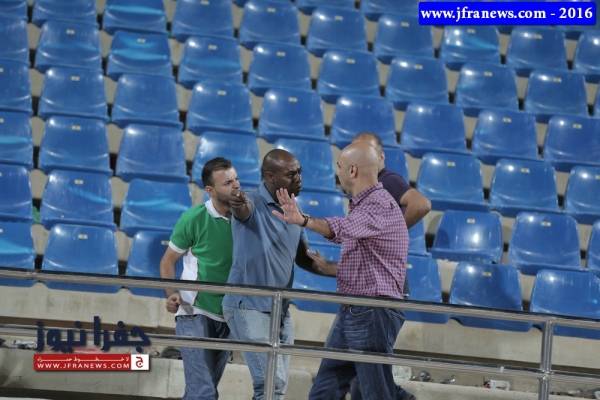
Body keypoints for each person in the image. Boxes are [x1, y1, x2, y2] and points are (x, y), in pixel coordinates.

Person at [272, 142, 415, 400]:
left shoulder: (379, 204)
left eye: (339, 165)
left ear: (352, 171)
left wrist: (304, 220)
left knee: (375, 393)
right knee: (325, 389)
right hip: (355, 308)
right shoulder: (365, 204)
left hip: (372, 310)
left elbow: (342, 229)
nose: (335, 171)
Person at [222, 149, 315, 400]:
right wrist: (237, 203)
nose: (299, 178)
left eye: (299, 172)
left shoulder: (293, 210)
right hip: (248, 306)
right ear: (270, 176)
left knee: (277, 387)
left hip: (280, 310)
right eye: (291, 174)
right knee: (271, 382)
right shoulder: (251, 201)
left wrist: (346, 271)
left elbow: (305, 259)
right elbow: (242, 209)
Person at [159, 157, 240, 400]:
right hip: (193, 311)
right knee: (204, 391)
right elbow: (167, 261)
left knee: (202, 390)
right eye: (227, 183)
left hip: (228, 315)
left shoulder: (244, 219)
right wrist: (171, 294)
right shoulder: (193, 217)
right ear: (210, 190)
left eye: (236, 179)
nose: (236, 186)